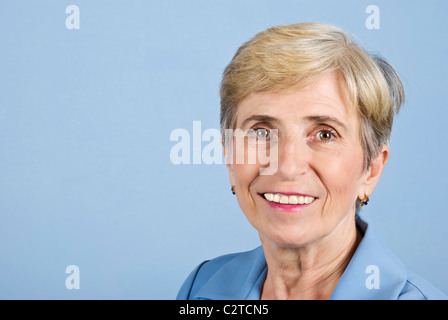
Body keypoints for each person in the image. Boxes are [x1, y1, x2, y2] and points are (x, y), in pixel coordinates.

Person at [176, 22, 447, 300]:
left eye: (325, 134)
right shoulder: (201, 285)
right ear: (230, 158)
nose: (288, 167)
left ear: (372, 169)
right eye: (261, 131)